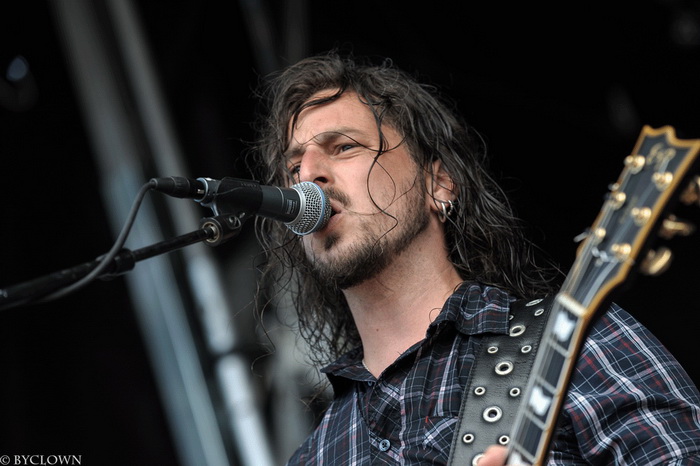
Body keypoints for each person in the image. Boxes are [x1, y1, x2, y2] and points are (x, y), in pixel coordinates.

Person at [249, 50, 700, 465]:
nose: (308, 175)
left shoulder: (568, 337)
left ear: (438, 184)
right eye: (294, 168)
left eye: (344, 146)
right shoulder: (315, 455)